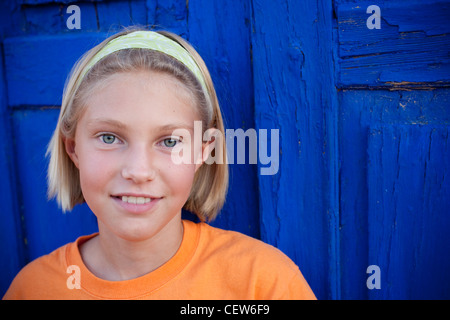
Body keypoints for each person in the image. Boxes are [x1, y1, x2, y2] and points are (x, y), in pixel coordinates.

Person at [3, 28, 316, 300]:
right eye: (110, 138)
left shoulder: (263, 283)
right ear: (73, 149)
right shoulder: (33, 289)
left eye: (169, 141)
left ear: (203, 152)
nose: (139, 172)